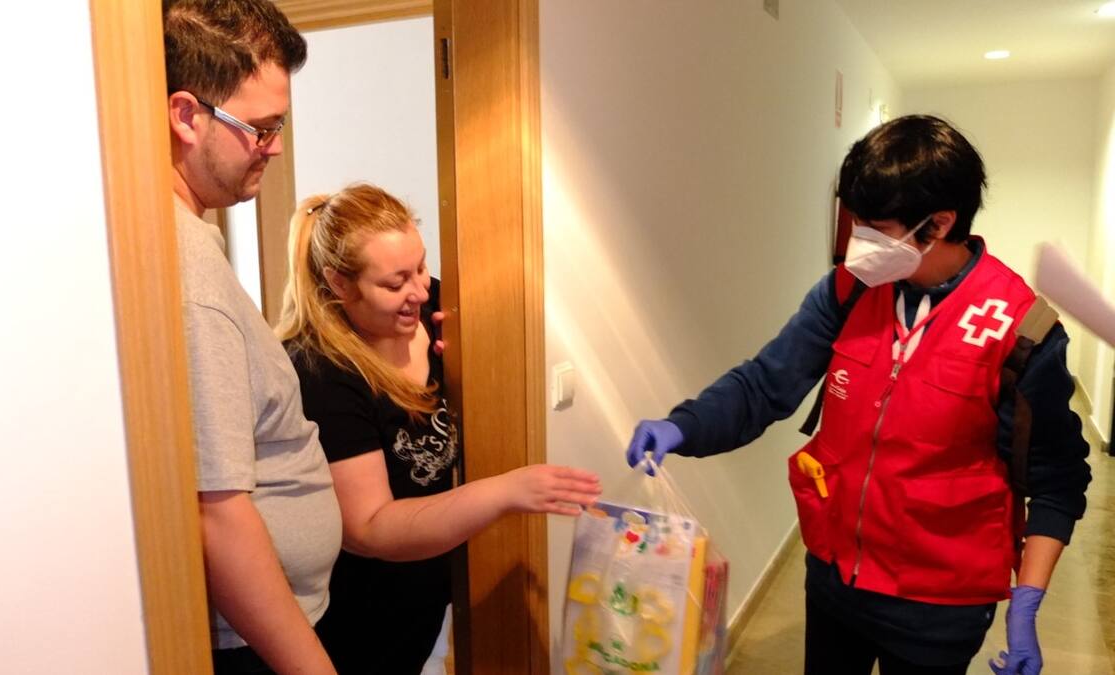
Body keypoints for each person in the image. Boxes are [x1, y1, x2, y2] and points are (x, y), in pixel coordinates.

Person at [625, 115, 1091, 675]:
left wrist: (1027, 604)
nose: (856, 243)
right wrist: (683, 426)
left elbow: (1057, 480)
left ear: (938, 224)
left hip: (937, 607)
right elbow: (765, 384)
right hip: (834, 580)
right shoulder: (848, 293)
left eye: (874, 227)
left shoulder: (1021, 331)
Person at [276, 183, 604, 674]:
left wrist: (472, 357)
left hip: (423, 597)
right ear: (339, 284)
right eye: (394, 283)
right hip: (358, 616)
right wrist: (505, 491)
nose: (421, 291)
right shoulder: (321, 372)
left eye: (421, 267)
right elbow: (368, 528)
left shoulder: (437, 310)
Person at [163, 2, 341, 672]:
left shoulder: (193, 241)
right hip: (251, 647)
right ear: (186, 116)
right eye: (260, 128)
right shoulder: (190, 276)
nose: (276, 147)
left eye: (281, 125)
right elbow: (219, 510)